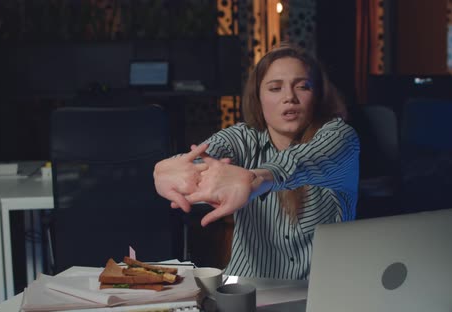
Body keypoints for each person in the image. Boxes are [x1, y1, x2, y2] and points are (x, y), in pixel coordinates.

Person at [153, 43, 360, 279]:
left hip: (320, 294)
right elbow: (205, 155)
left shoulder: (340, 137)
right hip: (245, 290)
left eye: (302, 86)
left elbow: (304, 159)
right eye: (275, 88)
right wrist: (171, 170)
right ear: (258, 98)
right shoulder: (244, 136)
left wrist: (256, 178)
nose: (289, 97)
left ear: (318, 96)